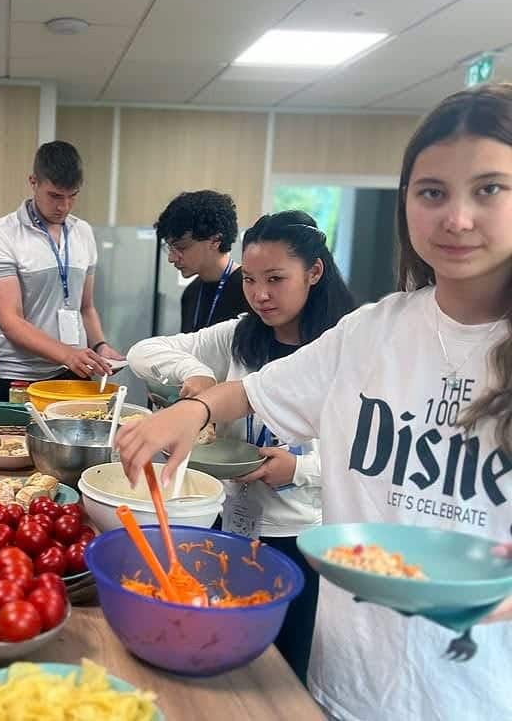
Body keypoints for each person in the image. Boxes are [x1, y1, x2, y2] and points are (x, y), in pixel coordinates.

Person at [117, 84, 512, 721]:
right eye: (432, 192)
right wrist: (192, 410)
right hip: (347, 680)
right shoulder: (372, 331)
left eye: (489, 189)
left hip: (475, 694)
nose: (456, 218)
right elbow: (255, 391)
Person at [128, 211, 356, 683]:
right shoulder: (239, 334)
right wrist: (197, 377)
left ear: (314, 272)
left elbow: (362, 461)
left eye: (276, 279)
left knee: (282, 673)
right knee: (221, 656)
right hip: (229, 525)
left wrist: (299, 469)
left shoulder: (344, 350)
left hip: (299, 539)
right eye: (250, 280)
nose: (261, 295)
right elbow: (144, 352)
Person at [0, 140, 124, 401]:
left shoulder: (83, 233)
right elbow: (10, 321)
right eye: (55, 196)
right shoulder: (1, 234)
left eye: (73, 196)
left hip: (76, 374)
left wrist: (99, 346)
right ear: (34, 182)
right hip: (23, 378)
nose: (64, 207)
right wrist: (67, 354)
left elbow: (85, 307)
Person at [158, 190, 250, 333]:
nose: (172, 258)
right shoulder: (191, 293)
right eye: (170, 248)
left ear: (215, 241)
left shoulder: (249, 290)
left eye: (181, 247)